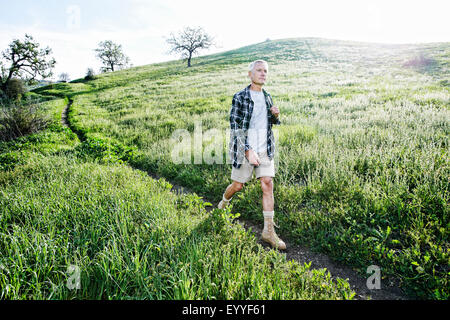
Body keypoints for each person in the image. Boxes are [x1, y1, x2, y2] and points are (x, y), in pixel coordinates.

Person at [218, 59, 286, 250]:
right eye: (259, 70)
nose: (263, 73)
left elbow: (269, 124)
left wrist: (275, 116)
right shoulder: (240, 97)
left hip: (264, 148)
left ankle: (268, 231)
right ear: (250, 74)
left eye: (265, 71)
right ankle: (224, 203)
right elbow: (236, 127)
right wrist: (248, 150)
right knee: (238, 186)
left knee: (267, 183)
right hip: (244, 148)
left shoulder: (267, 96)